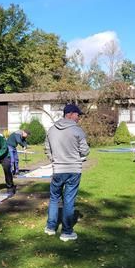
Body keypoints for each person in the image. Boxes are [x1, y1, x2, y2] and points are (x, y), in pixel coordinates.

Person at [44, 104, 90, 242]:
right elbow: (85, 151)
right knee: (69, 200)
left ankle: (50, 227)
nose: (78, 117)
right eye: (77, 115)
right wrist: (78, 155)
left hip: (58, 170)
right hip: (73, 170)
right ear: (69, 114)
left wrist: (54, 159)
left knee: (54, 198)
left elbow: (47, 149)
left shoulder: (51, 130)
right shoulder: (77, 130)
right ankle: (67, 232)